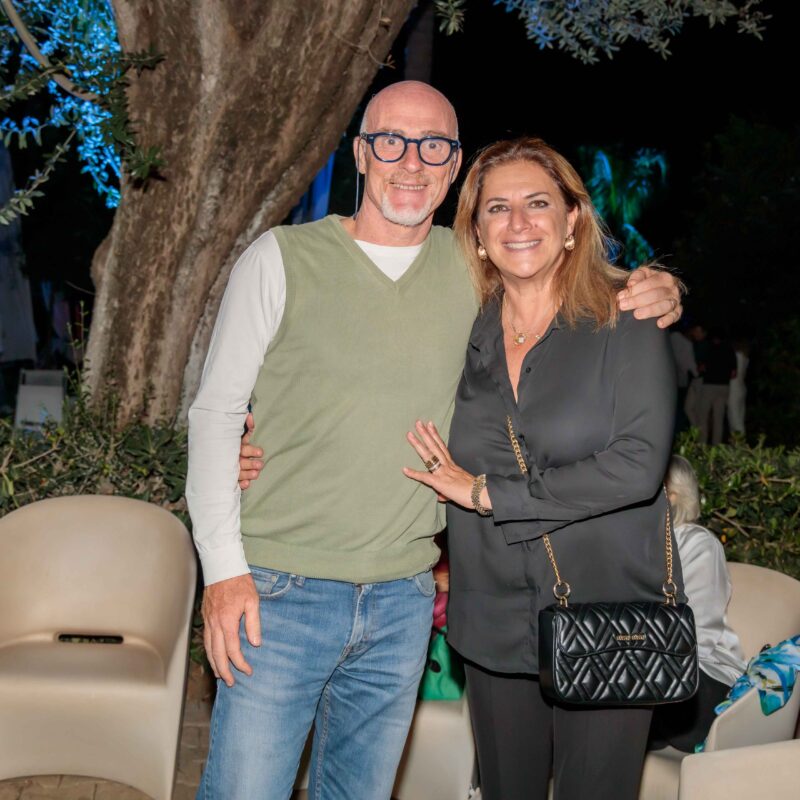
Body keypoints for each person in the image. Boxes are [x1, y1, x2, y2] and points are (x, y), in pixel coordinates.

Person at [188, 81, 683, 800]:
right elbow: (215, 413)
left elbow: (576, 291)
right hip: (280, 590)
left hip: (404, 597)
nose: (410, 161)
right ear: (361, 152)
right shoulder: (283, 258)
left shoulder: (474, 275)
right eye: (390, 141)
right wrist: (222, 569)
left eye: (433, 146)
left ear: (453, 167)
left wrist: (660, 287)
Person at [401, 137, 679, 800]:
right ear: (476, 232)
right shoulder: (461, 327)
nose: (518, 222)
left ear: (572, 219)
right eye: (497, 208)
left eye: (538, 203)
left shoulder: (625, 316)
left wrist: (487, 494)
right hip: (491, 611)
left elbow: (638, 466)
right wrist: (260, 444)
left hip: (609, 611)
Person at [648, 455, 747, 752]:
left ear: (673, 496)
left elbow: (696, 635)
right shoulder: (634, 546)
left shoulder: (698, 543)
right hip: (651, 674)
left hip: (705, 677)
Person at [697, 327, 737, 444]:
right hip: (724, 387)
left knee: (703, 417)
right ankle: (716, 446)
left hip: (709, 386)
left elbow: (701, 368)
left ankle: (702, 445)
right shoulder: (730, 350)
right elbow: (734, 374)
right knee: (718, 419)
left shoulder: (709, 349)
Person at [727, 338, 749, 436]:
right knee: (739, 416)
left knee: (734, 418)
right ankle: (737, 440)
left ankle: (740, 442)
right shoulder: (746, 358)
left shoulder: (736, 356)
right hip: (741, 388)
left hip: (734, 389)